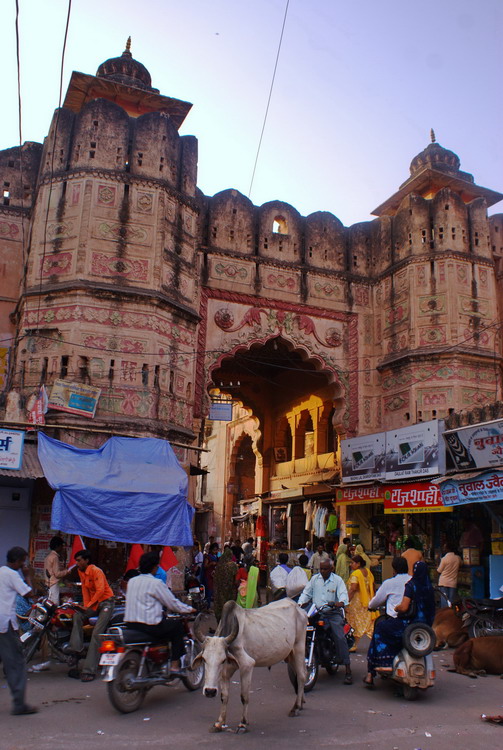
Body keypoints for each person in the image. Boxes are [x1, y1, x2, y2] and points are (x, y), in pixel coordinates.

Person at [364, 560, 435, 687]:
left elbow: (403, 607)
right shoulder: (430, 588)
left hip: (407, 624)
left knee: (380, 628)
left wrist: (397, 608)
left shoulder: (410, 585)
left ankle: (371, 673)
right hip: (425, 627)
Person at [125, 551, 195, 672]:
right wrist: (189, 609)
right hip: (149, 626)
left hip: (131, 624)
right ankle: (174, 664)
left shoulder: (132, 581)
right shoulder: (156, 583)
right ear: (154, 567)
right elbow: (172, 603)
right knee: (177, 627)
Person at [298, 559, 353, 684]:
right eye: (321, 569)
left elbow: (344, 595)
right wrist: (299, 604)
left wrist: (339, 603)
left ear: (331, 569)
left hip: (333, 613)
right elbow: (306, 593)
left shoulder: (337, 580)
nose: (322, 571)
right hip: (316, 613)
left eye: (325, 569)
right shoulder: (314, 579)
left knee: (339, 637)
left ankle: (348, 669)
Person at [0, 546, 37, 715]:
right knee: (16, 663)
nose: (24, 565)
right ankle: (19, 704)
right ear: (17, 561)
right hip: (5, 622)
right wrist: (28, 576)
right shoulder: (13, 574)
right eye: (23, 561)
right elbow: (29, 593)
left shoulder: (1, 572)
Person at [68, 549, 115, 682]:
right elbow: (85, 590)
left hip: (106, 603)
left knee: (96, 634)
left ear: (86, 560)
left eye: (79, 560)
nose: (77, 563)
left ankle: (89, 670)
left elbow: (100, 590)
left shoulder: (96, 571)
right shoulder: (80, 572)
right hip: (94, 603)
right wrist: (85, 606)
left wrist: (88, 605)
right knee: (77, 616)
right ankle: (76, 649)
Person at [345, 555, 377, 650]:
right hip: (368, 600)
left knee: (354, 622)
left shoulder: (356, 574)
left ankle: (354, 645)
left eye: (352, 563)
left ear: (358, 564)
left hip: (357, 602)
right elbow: (374, 585)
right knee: (369, 623)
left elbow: (353, 588)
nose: (351, 565)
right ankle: (375, 645)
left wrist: (346, 601)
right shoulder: (368, 572)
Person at [213, 547, 238, 620]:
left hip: (219, 590)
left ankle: (220, 624)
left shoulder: (219, 565)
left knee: (220, 606)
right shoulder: (232, 565)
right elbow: (236, 579)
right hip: (229, 591)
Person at [44, 536, 68, 605]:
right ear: (57, 546)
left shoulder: (49, 556)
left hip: (48, 584)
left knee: (49, 604)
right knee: (54, 605)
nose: (62, 548)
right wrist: (67, 571)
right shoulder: (55, 557)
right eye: (61, 546)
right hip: (53, 584)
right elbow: (57, 574)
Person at [437, 541, 462, 606]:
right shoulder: (458, 558)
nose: (443, 549)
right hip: (453, 583)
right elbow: (462, 564)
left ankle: (445, 614)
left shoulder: (444, 559)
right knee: (452, 602)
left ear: (448, 549)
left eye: (444, 548)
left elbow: (439, 571)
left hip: (443, 582)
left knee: (444, 601)